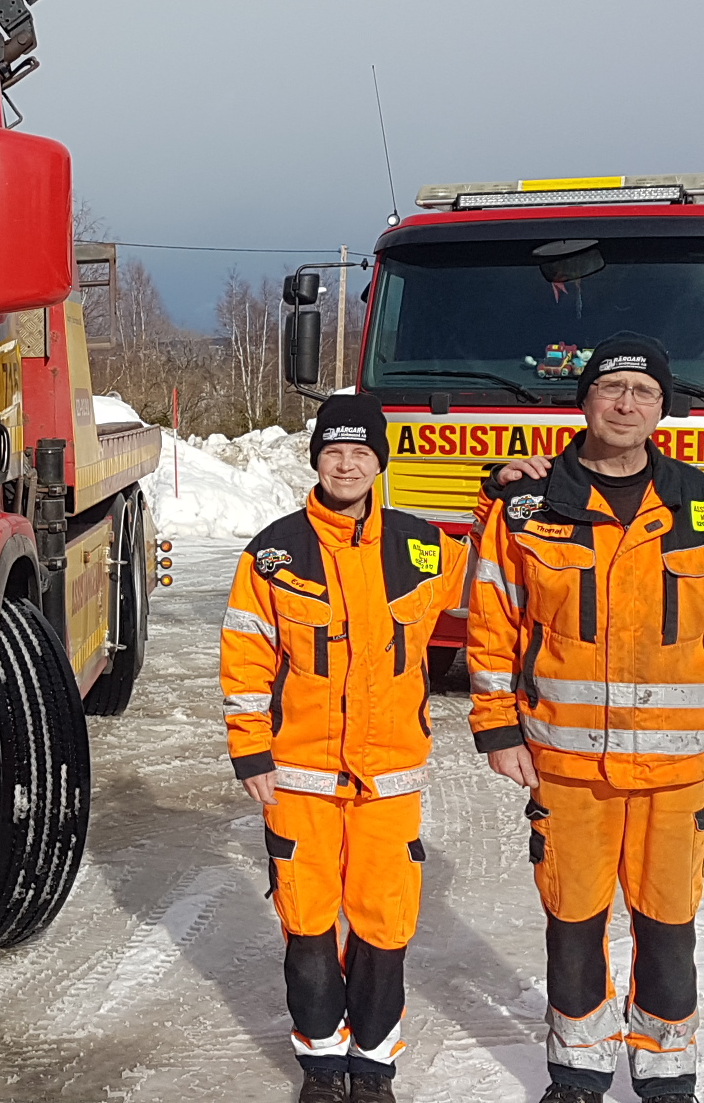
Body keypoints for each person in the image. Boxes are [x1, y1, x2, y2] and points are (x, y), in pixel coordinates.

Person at [466, 333, 704, 1103]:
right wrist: (496, 727)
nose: (626, 404)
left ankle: (665, 1073)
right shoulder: (528, 505)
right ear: (585, 402)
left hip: (675, 773)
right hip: (568, 769)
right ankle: (579, 1073)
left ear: (663, 410)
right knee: (574, 930)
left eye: (643, 393)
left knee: (667, 932)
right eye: (611, 389)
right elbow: (492, 621)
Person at [221, 393, 469, 1103]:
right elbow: (244, 659)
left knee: (385, 921)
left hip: (390, 778)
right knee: (307, 921)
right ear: (317, 459)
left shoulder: (420, 546)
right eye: (335, 451)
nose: (348, 464)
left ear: (379, 462)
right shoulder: (274, 552)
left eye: (362, 452)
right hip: (300, 775)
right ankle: (323, 1066)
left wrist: (510, 495)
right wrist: (252, 753)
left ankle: (374, 1066)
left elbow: (492, 575)